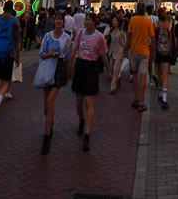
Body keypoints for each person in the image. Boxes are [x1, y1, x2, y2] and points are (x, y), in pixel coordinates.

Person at [68, 12, 111, 151]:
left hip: (92, 68)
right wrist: (70, 69)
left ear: (94, 22)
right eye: (86, 20)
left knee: (88, 101)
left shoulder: (99, 37)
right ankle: (82, 120)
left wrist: (109, 71)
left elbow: (103, 55)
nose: (86, 22)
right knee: (78, 101)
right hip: (80, 66)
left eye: (88, 20)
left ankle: (87, 134)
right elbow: (74, 51)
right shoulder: (80, 33)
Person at [36, 12, 71, 154]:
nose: (58, 22)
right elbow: (41, 53)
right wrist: (50, 55)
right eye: (56, 19)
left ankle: (47, 134)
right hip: (46, 67)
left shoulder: (67, 38)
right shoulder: (47, 36)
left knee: (50, 103)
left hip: (59, 69)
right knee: (46, 104)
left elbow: (67, 56)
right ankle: (49, 123)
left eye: (60, 20)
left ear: (63, 22)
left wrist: (69, 74)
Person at [126, 1, 154, 112]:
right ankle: (142, 102)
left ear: (137, 10)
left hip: (134, 51)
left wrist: (126, 50)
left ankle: (136, 98)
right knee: (143, 76)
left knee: (135, 74)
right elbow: (153, 38)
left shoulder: (132, 20)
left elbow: (129, 36)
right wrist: (153, 52)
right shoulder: (148, 21)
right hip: (144, 52)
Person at [153, 7, 173, 110]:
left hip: (158, 51)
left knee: (159, 73)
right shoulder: (168, 25)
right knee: (165, 74)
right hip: (167, 51)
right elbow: (171, 39)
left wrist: (153, 52)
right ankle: (164, 98)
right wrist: (172, 50)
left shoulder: (156, 25)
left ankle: (161, 94)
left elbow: (154, 39)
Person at [108, 14, 127, 93]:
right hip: (112, 52)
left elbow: (123, 43)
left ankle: (113, 87)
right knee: (112, 68)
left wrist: (125, 52)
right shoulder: (112, 31)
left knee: (115, 69)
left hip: (119, 52)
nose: (113, 22)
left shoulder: (121, 32)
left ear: (118, 22)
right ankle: (117, 79)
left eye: (115, 21)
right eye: (113, 21)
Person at [146, 4, 158, 87]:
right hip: (155, 41)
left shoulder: (145, 19)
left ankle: (150, 78)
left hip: (147, 42)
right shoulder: (156, 19)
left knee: (149, 61)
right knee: (156, 59)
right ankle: (155, 73)